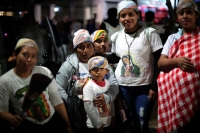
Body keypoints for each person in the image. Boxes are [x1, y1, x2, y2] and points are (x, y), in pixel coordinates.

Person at [110, 0, 163, 132]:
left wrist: (154, 86)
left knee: (141, 123)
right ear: (119, 18)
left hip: (144, 88)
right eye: (123, 16)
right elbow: (116, 57)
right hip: (123, 88)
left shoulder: (150, 33)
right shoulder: (116, 37)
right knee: (131, 123)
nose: (127, 18)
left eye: (130, 14)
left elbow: (160, 62)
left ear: (138, 15)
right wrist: (96, 54)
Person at [0, 38, 73, 133]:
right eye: (25, 54)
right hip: (29, 124)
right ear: (15, 55)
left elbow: (57, 101)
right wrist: (11, 119)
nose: (29, 59)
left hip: (52, 120)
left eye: (33, 56)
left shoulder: (44, 72)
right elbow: (2, 110)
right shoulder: (4, 81)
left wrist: (68, 124)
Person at [56, 29, 119, 132]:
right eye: (81, 47)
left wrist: (108, 98)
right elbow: (58, 87)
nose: (86, 51)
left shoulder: (100, 62)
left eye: (89, 46)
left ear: (93, 47)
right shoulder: (69, 65)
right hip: (79, 115)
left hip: (102, 114)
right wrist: (74, 105)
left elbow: (113, 84)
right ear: (75, 49)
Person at [157, 0, 200, 133]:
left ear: (197, 15)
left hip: (196, 96)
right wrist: (177, 61)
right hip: (176, 96)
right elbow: (161, 63)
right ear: (177, 17)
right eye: (181, 13)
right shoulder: (172, 38)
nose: (185, 16)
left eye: (189, 12)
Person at [91, 29, 127, 132]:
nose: (102, 44)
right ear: (92, 43)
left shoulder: (112, 57)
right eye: (98, 41)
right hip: (99, 103)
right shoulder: (92, 61)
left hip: (114, 100)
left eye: (105, 41)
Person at [83, 56, 114, 133]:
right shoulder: (89, 86)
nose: (98, 71)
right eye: (94, 69)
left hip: (107, 123)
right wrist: (97, 124)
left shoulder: (108, 83)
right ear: (90, 71)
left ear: (107, 70)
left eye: (101, 69)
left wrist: (113, 115)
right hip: (94, 126)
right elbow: (88, 106)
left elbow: (111, 101)